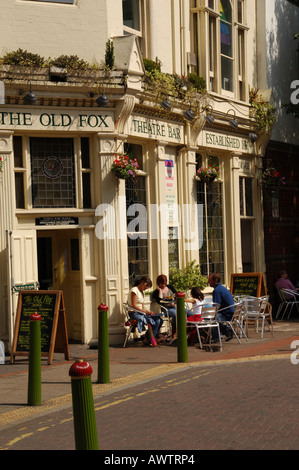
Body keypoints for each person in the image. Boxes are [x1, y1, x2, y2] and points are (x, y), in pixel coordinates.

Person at [128, 276, 163, 346]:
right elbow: (134, 305)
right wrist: (145, 312)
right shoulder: (134, 290)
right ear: (142, 283)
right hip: (134, 313)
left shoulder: (141, 292)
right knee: (155, 321)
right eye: (146, 286)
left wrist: (148, 312)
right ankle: (149, 339)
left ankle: (147, 338)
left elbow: (142, 306)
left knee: (159, 320)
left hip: (141, 313)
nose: (146, 288)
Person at [208, 273, 235, 341]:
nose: (208, 282)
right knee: (212, 317)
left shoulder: (217, 291)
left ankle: (217, 336)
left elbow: (216, 306)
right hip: (231, 313)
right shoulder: (222, 288)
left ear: (215, 280)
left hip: (226, 314)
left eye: (210, 280)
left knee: (209, 319)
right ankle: (226, 331)